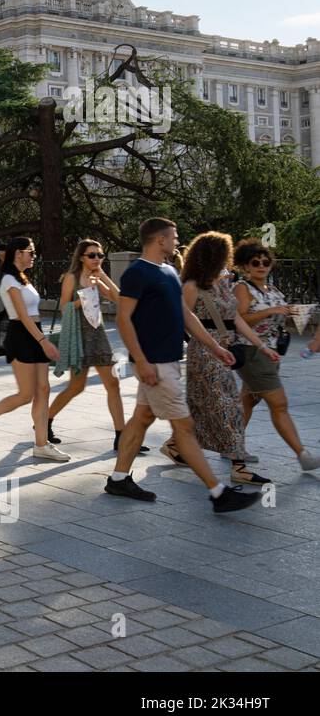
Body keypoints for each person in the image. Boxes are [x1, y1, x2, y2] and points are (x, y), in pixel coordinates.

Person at [103, 218, 259, 512]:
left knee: (142, 419)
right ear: (159, 239)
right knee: (185, 426)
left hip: (169, 361)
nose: (177, 241)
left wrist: (215, 348)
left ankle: (118, 479)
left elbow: (186, 315)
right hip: (156, 365)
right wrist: (142, 361)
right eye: (173, 237)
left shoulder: (169, 271)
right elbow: (123, 319)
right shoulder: (137, 273)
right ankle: (218, 492)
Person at [0, 237, 67, 461]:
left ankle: (41, 444)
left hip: (34, 331)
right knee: (26, 394)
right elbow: (21, 315)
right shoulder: (8, 280)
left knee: (43, 389)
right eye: (30, 252)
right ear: (18, 253)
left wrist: (41, 338)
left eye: (34, 252)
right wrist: (44, 341)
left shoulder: (23, 278)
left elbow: (31, 314)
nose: (34, 256)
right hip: (21, 335)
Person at [232, 238, 320, 474]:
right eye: (255, 262)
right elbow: (237, 319)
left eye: (266, 261)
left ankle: (232, 446)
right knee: (279, 404)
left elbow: (277, 314)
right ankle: (302, 454)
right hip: (252, 351)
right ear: (245, 266)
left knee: (248, 400)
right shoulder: (243, 288)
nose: (262, 265)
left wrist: (291, 312)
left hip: (269, 352)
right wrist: (271, 311)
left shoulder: (272, 289)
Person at [45, 240, 128, 451]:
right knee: (76, 387)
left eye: (100, 255)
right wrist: (81, 300)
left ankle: (122, 436)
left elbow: (119, 298)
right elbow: (64, 306)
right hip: (78, 336)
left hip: (98, 335)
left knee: (113, 384)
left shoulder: (96, 277)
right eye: (92, 255)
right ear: (81, 256)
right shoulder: (72, 277)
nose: (97, 259)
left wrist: (104, 277)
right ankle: (45, 421)